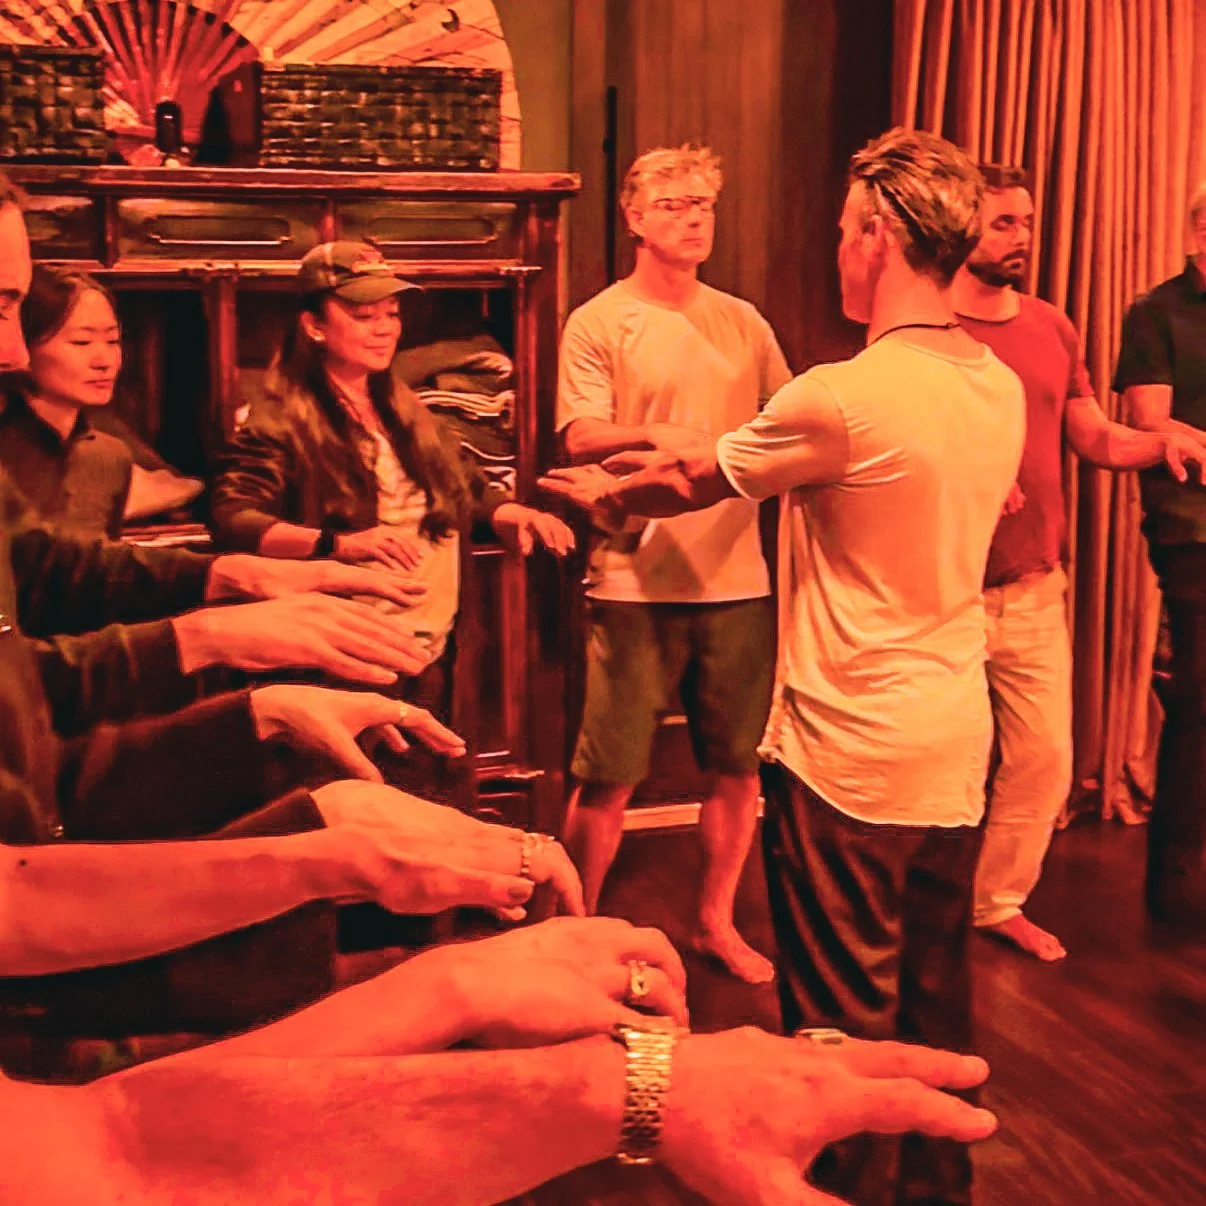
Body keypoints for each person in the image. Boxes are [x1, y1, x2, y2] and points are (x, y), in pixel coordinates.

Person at [541, 127, 1025, 1206]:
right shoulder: (994, 381)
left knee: (838, 1038)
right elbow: (722, 454)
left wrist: (593, 494)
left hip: (850, 754)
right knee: (937, 1013)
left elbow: (690, 481)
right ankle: (939, 1191)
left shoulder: (843, 396)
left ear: (883, 239)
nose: (838, 253)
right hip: (954, 743)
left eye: (848, 232)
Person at [952, 165, 1206, 961]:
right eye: (1001, 223)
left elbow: (1093, 433)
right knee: (947, 764)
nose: (1020, 237)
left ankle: (996, 902)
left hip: (1034, 580)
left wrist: (1160, 442)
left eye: (1025, 222)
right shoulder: (926, 330)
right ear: (958, 227)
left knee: (1044, 757)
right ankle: (928, 908)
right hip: (946, 585)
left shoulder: (1051, 327)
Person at [555, 144, 792, 983]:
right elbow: (580, 435)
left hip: (737, 578)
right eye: (678, 203)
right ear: (635, 216)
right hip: (631, 580)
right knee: (609, 773)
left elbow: (784, 424)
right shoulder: (599, 320)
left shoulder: (742, 320)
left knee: (736, 767)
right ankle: (574, 930)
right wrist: (659, 435)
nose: (696, 218)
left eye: (707, 204)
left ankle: (716, 923)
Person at [209, 241, 574, 741]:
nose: (383, 328)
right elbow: (236, 520)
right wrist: (338, 544)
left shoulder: (403, 405)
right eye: (363, 315)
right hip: (344, 658)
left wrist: (513, 515)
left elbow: (463, 487)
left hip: (429, 649)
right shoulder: (277, 420)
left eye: (392, 313)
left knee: (438, 801)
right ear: (314, 325)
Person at [1114, 180, 1206, 926]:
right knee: (1200, 703)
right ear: (1199, 234)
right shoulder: (1155, 312)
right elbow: (1154, 424)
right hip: (1191, 529)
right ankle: (1177, 887)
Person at [0, 264, 132, 538]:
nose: (104, 362)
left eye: (113, 341)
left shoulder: (110, 457)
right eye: (82, 342)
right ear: (25, 343)